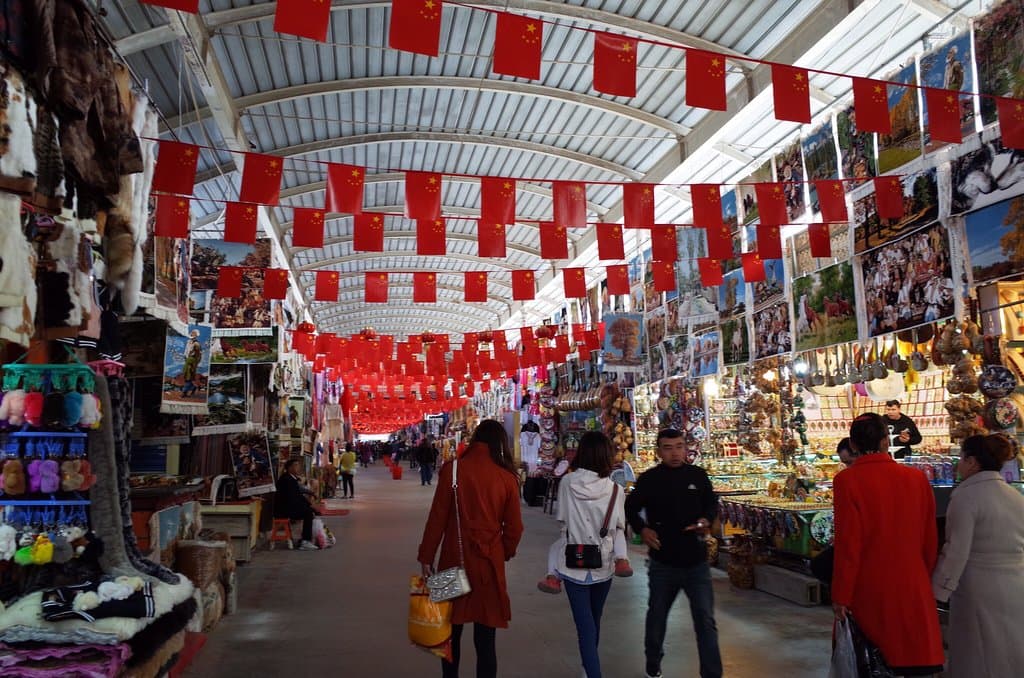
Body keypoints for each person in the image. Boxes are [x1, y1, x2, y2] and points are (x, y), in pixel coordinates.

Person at [832, 413, 944, 676]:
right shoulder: (916, 479)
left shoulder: (847, 481)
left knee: (874, 663)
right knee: (914, 662)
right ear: (886, 441)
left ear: (854, 444)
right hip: (912, 584)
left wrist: (841, 596)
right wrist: (922, 575)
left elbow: (849, 544)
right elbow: (930, 539)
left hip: (869, 589)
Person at [417, 420, 524, 678]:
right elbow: (515, 528)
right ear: (500, 444)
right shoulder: (507, 477)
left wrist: (426, 556)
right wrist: (503, 552)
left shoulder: (452, 470)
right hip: (489, 565)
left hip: (453, 559)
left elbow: (437, 518)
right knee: (486, 640)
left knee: (449, 636)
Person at [624, 428, 721, 678]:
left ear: (686, 448)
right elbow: (631, 507)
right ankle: (653, 664)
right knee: (656, 618)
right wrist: (642, 529)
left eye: (679, 446)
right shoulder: (649, 479)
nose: (675, 453)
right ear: (659, 451)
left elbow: (711, 504)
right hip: (663, 564)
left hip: (696, 563)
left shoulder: (698, 476)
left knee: (705, 621)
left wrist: (705, 520)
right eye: (668, 448)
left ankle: (712, 673)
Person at [932, 434, 1024, 678]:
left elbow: (956, 550)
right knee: (1009, 648)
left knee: (977, 653)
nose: (958, 464)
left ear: (972, 462)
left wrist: (938, 592)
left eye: (961, 458)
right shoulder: (1014, 495)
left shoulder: (966, 496)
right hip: (1015, 584)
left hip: (978, 587)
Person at [542, 431, 627, 678]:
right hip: (604, 564)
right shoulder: (615, 489)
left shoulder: (567, 483)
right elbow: (617, 527)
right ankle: (588, 669)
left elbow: (562, 519)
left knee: (585, 627)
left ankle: (591, 671)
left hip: (573, 563)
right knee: (594, 619)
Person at [809, 438, 854, 585]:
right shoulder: (846, 480)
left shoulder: (847, 481)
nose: (847, 468)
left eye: (849, 463)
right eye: (844, 463)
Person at [274, 458, 321, 551]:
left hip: (288, 507)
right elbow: (293, 498)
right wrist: (308, 506)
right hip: (284, 510)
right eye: (296, 465)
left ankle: (305, 538)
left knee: (309, 511)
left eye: (298, 465)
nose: (298, 468)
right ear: (290, 468)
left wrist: (309, 504)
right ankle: (305, 541)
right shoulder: (287, 479)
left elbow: (298, 495)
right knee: (308, 513)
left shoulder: (290, 478)